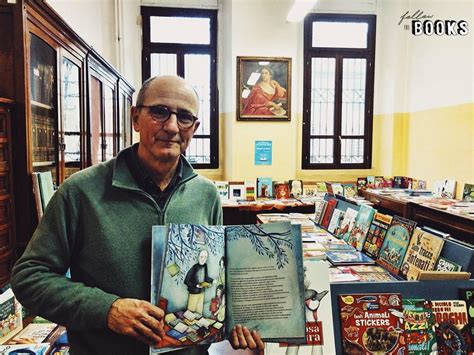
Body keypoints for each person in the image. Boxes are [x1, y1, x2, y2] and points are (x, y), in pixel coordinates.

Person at [11, 75, 264, 354]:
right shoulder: (81, 192)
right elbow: (30, 277)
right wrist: (107, 309)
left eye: (184, 117)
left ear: (195, 128)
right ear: (135, 118)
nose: (171, 126)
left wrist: (244, 320)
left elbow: (217, 278)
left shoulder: (206, 195)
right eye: (159, 111)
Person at [184, 249, 214, 314]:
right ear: (198, 257)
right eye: (201, 256)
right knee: (190, 314)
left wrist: (212, 280)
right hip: (193, 294)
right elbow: (186, 281)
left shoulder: (205, 266)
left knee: (199, 314)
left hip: (202, 293)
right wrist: (196, 285)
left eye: (205, 257)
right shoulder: (194, 268)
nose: (203, 259)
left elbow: (206, 278)